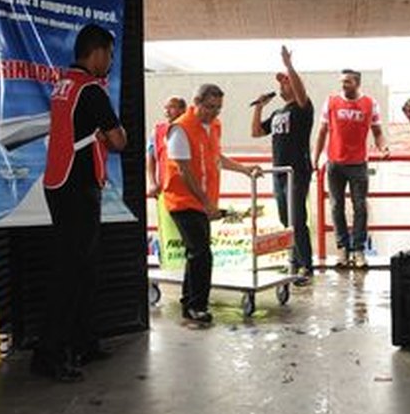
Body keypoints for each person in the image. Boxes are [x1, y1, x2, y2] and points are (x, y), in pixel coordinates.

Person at [33, 24, 127, 382]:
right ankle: (49, 354)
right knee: (71, 274)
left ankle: (83, 341)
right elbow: (119, 140)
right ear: (98, 52)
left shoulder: (63, 85)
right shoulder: (89, 90)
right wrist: (109, 135)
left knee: (85, 270)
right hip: (76, 187)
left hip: (62, 184)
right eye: (111, 54)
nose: (111, 62)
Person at [162, 84, 262, 325]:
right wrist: (206, 204)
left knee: (196, 253)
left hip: (203, 202)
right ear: (196, 102)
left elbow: (217, 158)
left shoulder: (214, 126)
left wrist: (245, 170)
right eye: (209, 107)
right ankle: (197, 307)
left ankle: (189, 303)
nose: (214, 113)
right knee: (201, 253)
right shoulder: (181, 129)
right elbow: (185, 172)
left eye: (218, 108)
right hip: (183, 201)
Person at [313, 69, 389, 268]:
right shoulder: (330, 102)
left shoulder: (370, 104)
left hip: (358, 164)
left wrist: (383, 147)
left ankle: (358, 250)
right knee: (336, 206)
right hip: (335, 163)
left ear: (357, 83)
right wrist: (316, 157)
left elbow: (378, 132)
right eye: (342, 82)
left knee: (360, 207)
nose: (343, 85)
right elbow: (321, 132)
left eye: (347, 82)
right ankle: (342, 249)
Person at [251, 46, 314, 284]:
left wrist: (289, 65)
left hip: (296, 169)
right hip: (278, 171)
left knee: (297, 217)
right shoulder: (278, 111)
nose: (282, 85)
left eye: (286, 82)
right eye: (282, 83)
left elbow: (300, 91)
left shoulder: (302, 107)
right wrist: (259, 107)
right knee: (284, 217)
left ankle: (305, 265)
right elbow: (256, 132)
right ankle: (294, 261)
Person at [146, 96, 186, 198]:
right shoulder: (157, 131)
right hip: (164, 188)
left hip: (188, 188)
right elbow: (150, 158)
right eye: (165, 107)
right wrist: (152, 183)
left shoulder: (190, 130)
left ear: (183, 110)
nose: (167, 111)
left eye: (172, 107)